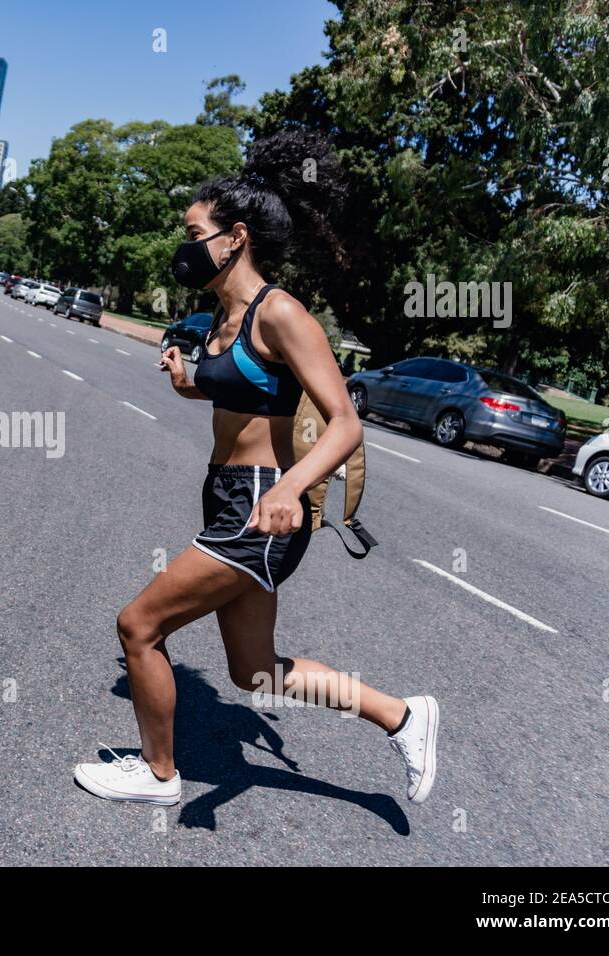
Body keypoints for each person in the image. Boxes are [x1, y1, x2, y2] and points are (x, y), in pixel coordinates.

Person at [73, 129, 438, 808]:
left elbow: (345, 422)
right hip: (228, 494)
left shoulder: (281, 314)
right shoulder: (223, 316)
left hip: (266, 503)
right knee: (254, 674)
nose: (184, 246)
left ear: (234, 236)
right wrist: (185, 376)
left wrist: (295, 488)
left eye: (193, 231)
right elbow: (236, 394)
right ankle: (404, 715)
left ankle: (158, 774)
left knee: (138, 626)